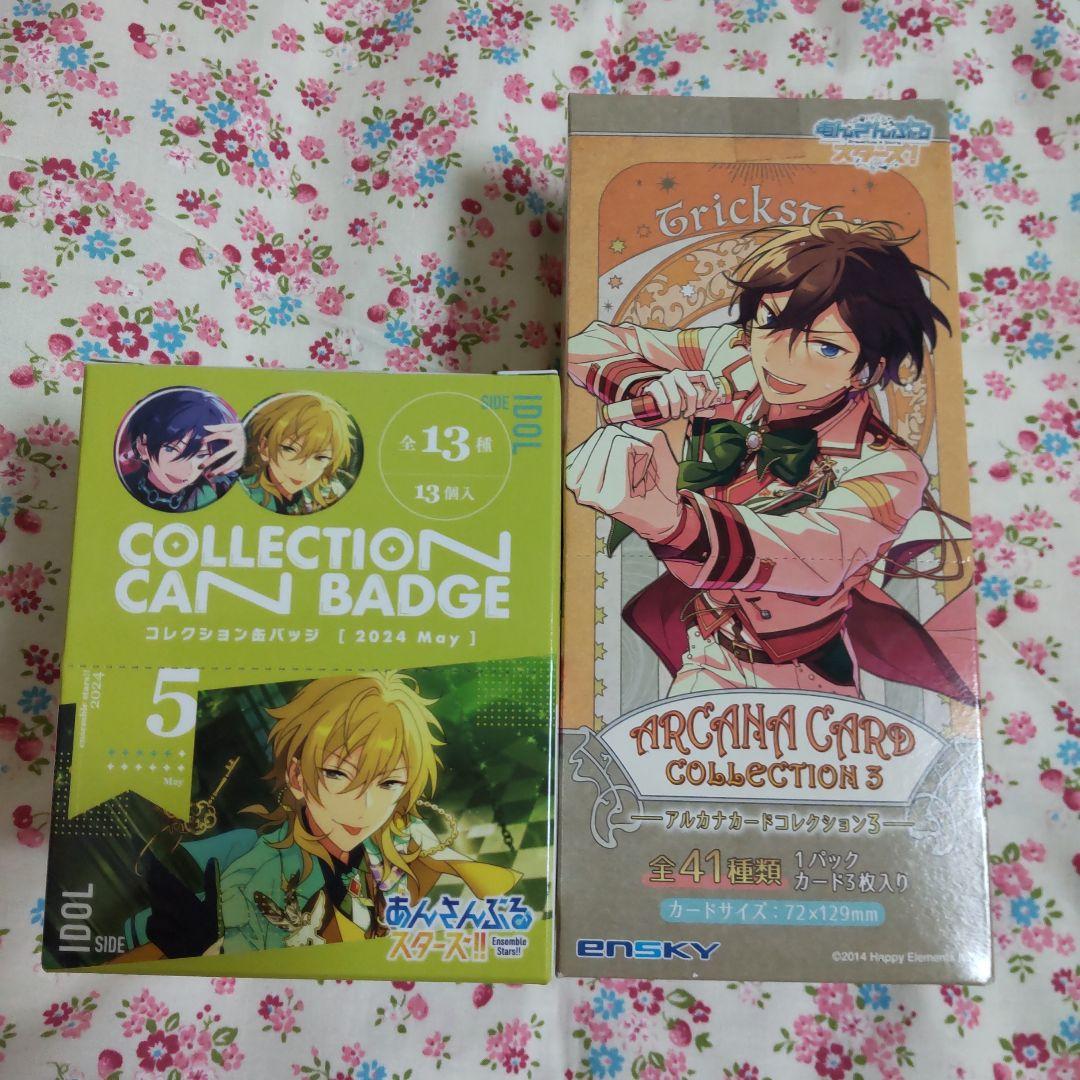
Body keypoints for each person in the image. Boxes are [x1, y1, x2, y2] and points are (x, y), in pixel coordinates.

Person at [565, 213, 975, 704]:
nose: (781, 359)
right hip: (706, 650)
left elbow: (816, 557)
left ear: (866, 370)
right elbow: (584, 346)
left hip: (802, 676)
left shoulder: (888, 467)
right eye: (772, 323)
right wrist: (649, 385)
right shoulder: (730, 354)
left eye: (826, 348)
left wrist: (671, 523)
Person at [133, 673, 520, 957]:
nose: (363, 808)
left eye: (388, 783)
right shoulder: (253, 877)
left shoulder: (401, 835)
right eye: (338, 775)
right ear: (297, 776)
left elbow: (481, 885)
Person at [118, 387, 244, 512]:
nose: (185, 470)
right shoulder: (121, 486)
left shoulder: (213, 491)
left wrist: (248, 447)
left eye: (201, 455)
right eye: (170, 449)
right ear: (142, 446)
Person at [240, 392, 357, 515]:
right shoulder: (248, 493)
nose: (304, 469)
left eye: (321, 457)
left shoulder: (332, 492)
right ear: (265, 448)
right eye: (290, 449)